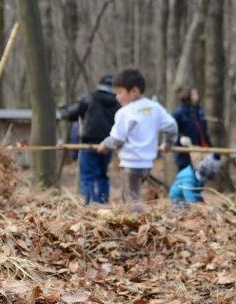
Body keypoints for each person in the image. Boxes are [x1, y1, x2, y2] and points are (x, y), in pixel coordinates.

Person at [96, 68, 177, 204]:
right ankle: (138, 221)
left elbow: (117, 140)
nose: (117, 97)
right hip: (146, 165)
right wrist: (168, 144)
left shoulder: (125, 112)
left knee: (130, 202)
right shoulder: (154, 108)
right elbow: (172, 127)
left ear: (134, 91)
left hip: (131, 164)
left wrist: (104, 145)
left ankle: (139, 222)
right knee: (134, 197)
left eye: (120, 92)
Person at [58, 74, 120, 204]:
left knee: (87, 175)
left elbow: (70, 115)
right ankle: (102, 202)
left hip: (88, 143)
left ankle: (88, 203)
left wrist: (63, 110)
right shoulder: (117, 102)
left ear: (99, 84)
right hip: (108, 143)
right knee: (102, 174)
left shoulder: (89, 98)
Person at [172, 87, 212, 171]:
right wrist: (180, 139)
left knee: (199, 181)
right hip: (185, 156)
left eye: (196, 94)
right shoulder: (179, 113)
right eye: (193, 94)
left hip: (201, 153)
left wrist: (210, 147)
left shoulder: (199, 112)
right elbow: (171, 131)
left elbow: (204, 133)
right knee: (187, 180)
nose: (196, 96)